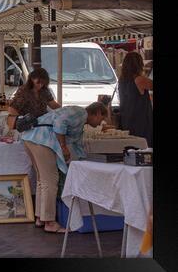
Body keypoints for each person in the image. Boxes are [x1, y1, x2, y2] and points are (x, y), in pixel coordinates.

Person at [20, 102, 108, 233]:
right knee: (50, 181)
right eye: (102, 118)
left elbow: (77, 144)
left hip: (31, 137)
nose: (102, 122)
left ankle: (40, 217)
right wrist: (63, 146)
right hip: (42, 140)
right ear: (98, 113)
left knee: (42, 180)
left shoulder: (80, 121)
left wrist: (84, 162)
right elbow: (60, 122)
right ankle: (49, 222)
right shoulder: (80, 113)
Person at [118, 51, 153, 147]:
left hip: (126, 120)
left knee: (131, 147)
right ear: (139, 64)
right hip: (140, 121)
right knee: (144, 147)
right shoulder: (139, 79)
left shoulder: (121, 80)